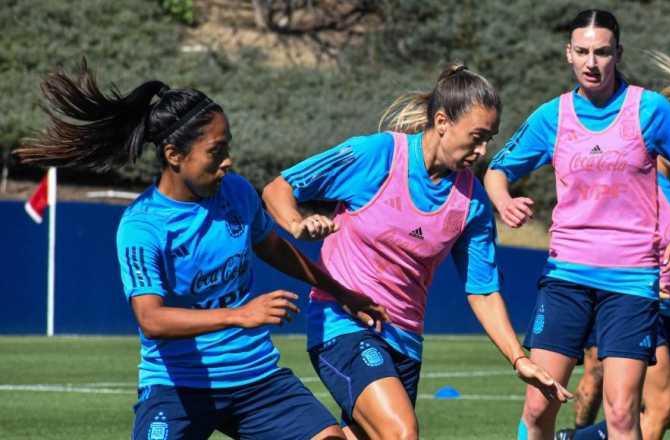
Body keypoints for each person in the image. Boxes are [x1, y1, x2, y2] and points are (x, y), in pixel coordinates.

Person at [15, 60, 388, 440]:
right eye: (215, 151)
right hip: (177, 387)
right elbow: (151, 319)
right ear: (174, 155)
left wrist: (342, 292)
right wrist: (239, 315)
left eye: (228, 147)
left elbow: (274, 249)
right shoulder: (142, 225)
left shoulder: (237, 191)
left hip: (256, 378)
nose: (227, 161)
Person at [261, 64, 571, 440]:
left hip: (406, 341)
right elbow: (280, 188)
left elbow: (483, 291)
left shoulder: (472, 202)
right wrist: (296, 223)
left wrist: (518, 358)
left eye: (489, 139)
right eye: (476, 137)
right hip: (343, 323)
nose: (482, 151)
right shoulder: (377, 155)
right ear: (442, 122)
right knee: (402, 432)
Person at [483, 10, 670, 439]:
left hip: (631, 281)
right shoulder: (553, 116)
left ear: (617, 54)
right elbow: (497, 170)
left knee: (622, 412)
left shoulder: (650, 109)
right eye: (583, 51)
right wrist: (503, 201)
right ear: (568, 54)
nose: (592, 62)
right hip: (566, 276)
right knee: (538, 405)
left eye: (602, 52)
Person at [561, 50, 670, 440]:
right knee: (652, 406)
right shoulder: (640, 180)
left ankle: (573, 439)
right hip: (636, 300)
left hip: (669, 307)